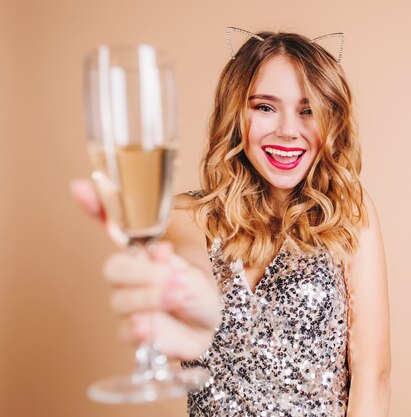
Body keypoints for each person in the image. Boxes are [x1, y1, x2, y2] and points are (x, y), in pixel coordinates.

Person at [72, 29, 390, 417]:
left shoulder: (349, 213)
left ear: (331, 119)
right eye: (265, 107)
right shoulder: (187, 215)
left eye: (308, 110)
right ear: (236, 114)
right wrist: (196, 303)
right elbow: (190, 265)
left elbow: (372, 376)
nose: (289, 129)